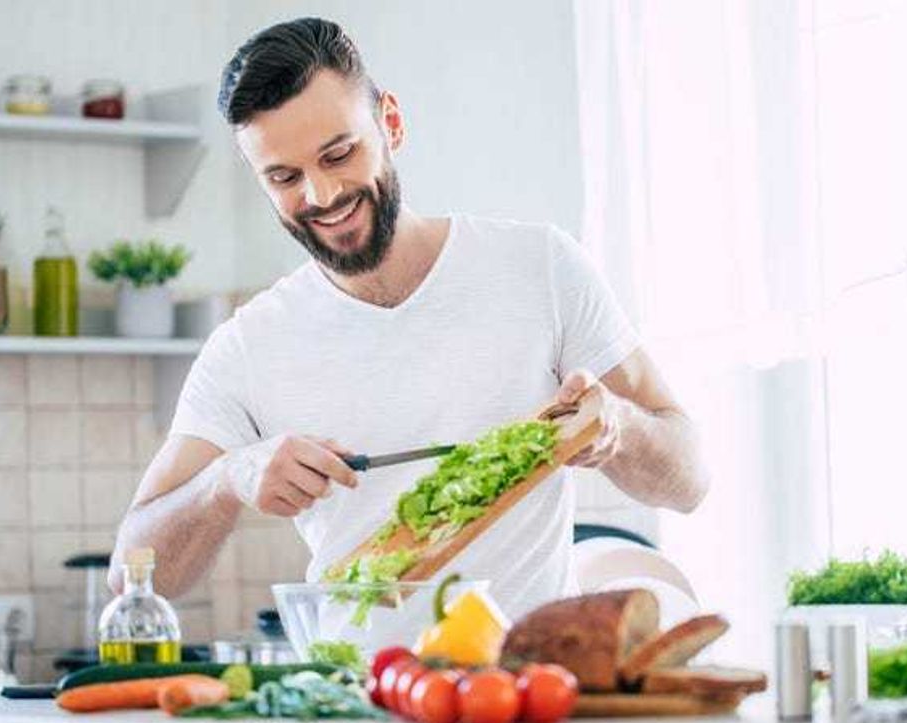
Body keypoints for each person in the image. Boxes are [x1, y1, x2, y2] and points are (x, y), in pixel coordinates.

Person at [109, 17, 708, 618]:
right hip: (351, 698)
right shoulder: (249, 344)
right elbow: (133, 576)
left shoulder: (541, 270)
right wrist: (227, 479)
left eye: (339, 154)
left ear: (390, 121)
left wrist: (618, 429)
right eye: (285, 177)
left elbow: (688, 482)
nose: (320, 196)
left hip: (527, 697)